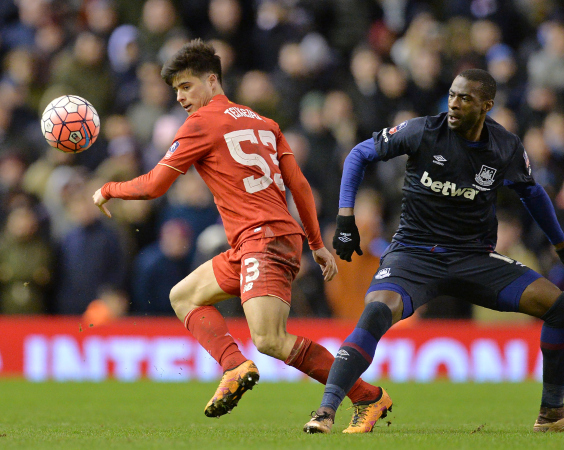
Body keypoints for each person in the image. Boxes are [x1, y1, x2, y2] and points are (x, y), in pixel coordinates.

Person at [93, 39, 385, 429]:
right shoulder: (265, 123)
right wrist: (315, 243)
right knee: (183, 296)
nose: (180, 97)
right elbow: (298, 185)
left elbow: (153, 186)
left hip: (263, 240)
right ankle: (233, 366)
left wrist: (109, 188)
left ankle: (369, 397)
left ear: (212, 80)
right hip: (258, 241)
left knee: (270, 340)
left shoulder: (201, 123)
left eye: (186, 86)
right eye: (175, 90)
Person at [303, 69, 564, 434]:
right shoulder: (423, 131)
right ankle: (325, 411)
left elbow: (533, 194)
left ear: (486, 106)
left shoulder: (505, 146)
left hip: (474, 258)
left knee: (562, 307)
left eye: (465, 98)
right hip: (414, 255)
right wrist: (346, 218)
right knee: (377, 310)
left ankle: (552, 415)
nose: (454, 104)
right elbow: (358, 155)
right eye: (451, 95)